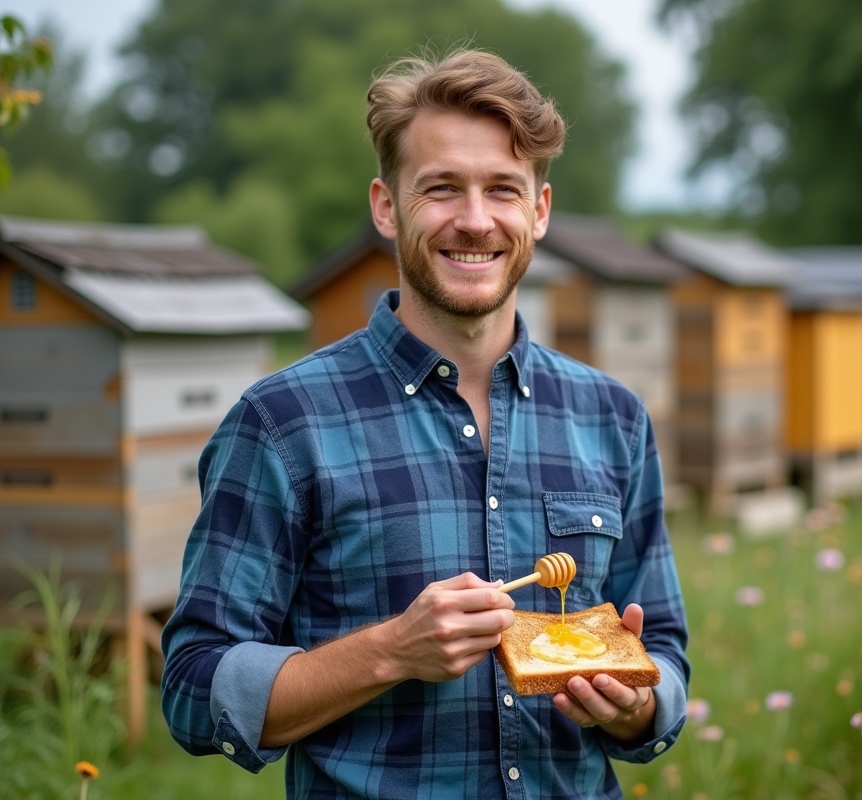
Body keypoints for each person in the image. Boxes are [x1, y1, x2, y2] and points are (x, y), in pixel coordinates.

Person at [160, 47, 689, 799]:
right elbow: (192, 689)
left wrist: (637, 704)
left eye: (502, 190)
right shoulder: (282, 424)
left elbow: (662, 653)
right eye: (441, 188)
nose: (475, 221)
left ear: (538, 211)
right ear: (386, 205)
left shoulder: (612, 417)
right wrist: (390, 653)